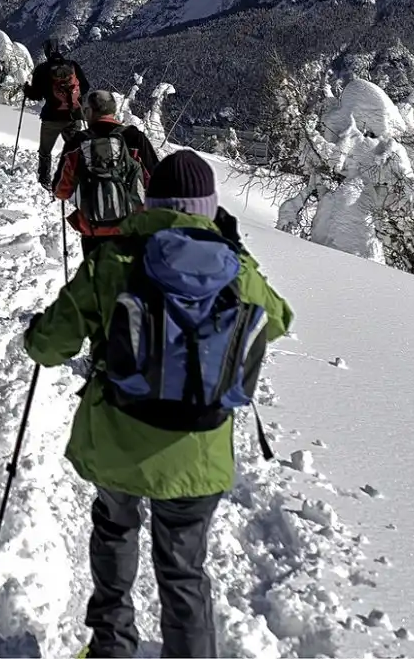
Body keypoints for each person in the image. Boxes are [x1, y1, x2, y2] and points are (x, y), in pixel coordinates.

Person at [24, 151, 293, 659]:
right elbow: (279, 320)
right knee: (183, 568)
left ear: (150, 202)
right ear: (209, 207)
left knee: (114, 531)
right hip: (199, 448)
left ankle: (112, 647)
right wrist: (232, 260)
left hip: (118, 440)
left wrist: (36, 334)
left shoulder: (114, 258)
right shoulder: (234, 267)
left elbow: (50, 346)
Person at [54, 90, 159, 255]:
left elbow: (60, 190)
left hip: (93, 230)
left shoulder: (78, 142)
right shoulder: (135, 138)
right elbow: (157, 181)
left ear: (90, 112)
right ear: (113, 111)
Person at [25, 40, 90, 190]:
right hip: (73, 116)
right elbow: (85, 86)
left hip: (51, 118)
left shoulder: (42, 69)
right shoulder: (72, 65)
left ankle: (44, 180)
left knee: (45, 151)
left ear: (46, 52)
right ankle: (79, 180)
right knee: (75, 149)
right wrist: (74, 99)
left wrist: (27, 90)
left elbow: (36, 95)